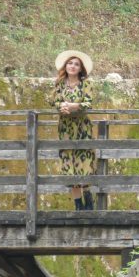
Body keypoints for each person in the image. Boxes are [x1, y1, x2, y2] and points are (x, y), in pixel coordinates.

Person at [53, 50, 96, 210]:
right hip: (65, 128)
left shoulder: (86, 84)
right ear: (66, 65)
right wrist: (62, 107)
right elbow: (55, 101)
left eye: (76, 64)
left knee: (83, 162)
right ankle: (78, 205)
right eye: (70, 63)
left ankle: (88, 200)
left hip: (82, 128)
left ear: (80, 68)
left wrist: (73, 106)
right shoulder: (59, 83)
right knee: (68, 163)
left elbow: (88, 103)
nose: (72, 66)